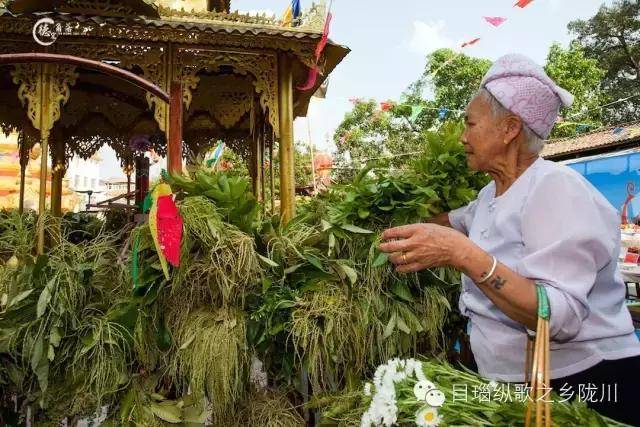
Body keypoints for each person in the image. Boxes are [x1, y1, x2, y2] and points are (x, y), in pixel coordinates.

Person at [379, 54, 640, 425]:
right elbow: (452, 222)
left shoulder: (555, 188)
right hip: (517, 384)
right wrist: (387, 222)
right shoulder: (491, 194)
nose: (462, 137)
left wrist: (461, 254)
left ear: (509, 128)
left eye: (470, 124)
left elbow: (557, 314)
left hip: (581, 384)